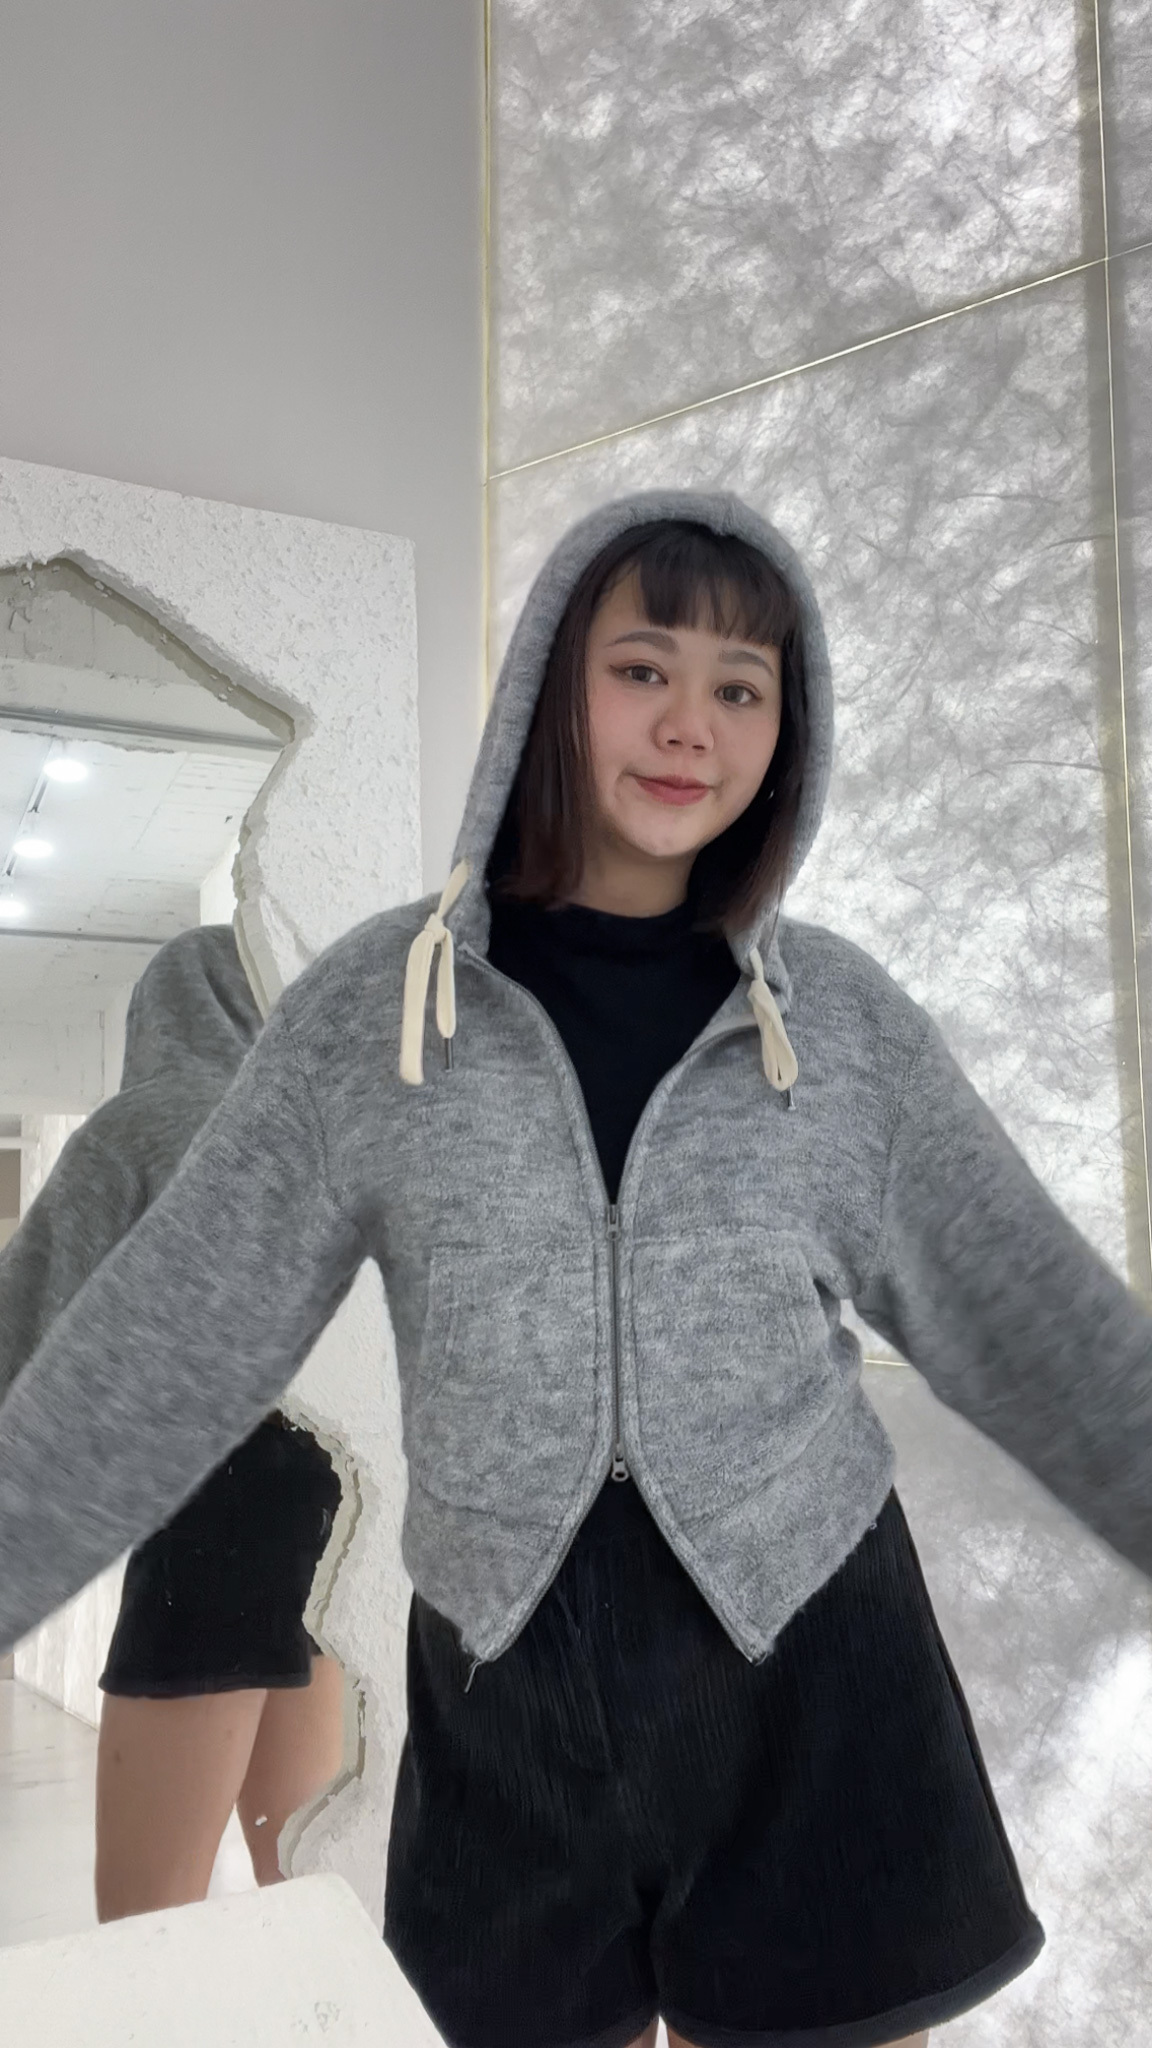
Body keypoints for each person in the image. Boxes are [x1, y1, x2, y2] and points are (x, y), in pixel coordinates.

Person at [3, 487, 1152, 2045]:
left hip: (818, 1685)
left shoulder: (842, 1024)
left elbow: (1047, 1329)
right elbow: (159, 1346)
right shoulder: (373, 1016)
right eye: (644, 668)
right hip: (507, 1713)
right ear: (555, 683)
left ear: (786, 732)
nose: (690, 725)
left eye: (742, 688)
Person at [0, 925, 344, 1919]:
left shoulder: (146, 1122)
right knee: (307, 1889)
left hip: (216, 1509)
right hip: (335, 1525)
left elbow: (30, 1317)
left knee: (147, 1910)